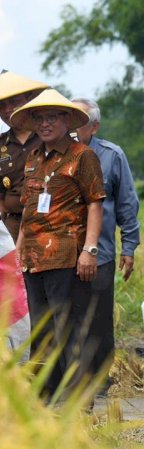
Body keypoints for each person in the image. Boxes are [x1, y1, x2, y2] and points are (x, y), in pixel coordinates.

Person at [11, 89, 106, 400]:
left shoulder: (83, 156)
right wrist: (19, 249)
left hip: (67, 256)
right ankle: (45, 395)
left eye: (52, 117)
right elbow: (28, 208)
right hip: (33, 257)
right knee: (41, 327)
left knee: (70, 325)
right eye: (39, 118)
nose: (45, 124)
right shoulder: (33, 158)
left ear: (67, 120)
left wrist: (89, 251)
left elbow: (95, 204)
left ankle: (78, 396)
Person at [72, 97, 140, 388]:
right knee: (68, 313)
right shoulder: (54, 154)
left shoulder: (112, 155)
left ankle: (100, 378)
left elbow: (126, 203)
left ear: (94, 127)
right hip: (62, 251)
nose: (73, 129)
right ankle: (72, 374)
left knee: (98, 315)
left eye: (80, 122)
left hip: (100, 251)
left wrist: (129, 247)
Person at [0, 71, 48, 242]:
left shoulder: (49, 137)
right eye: (1, 105)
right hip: (12, 227)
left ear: (29, 101)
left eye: (14, 102)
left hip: (49, 224)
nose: (8, 110)